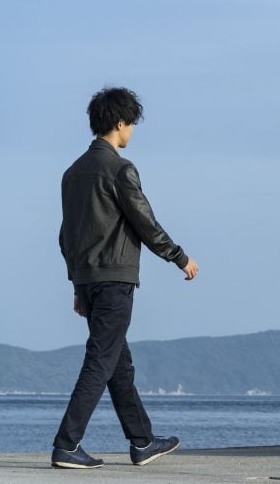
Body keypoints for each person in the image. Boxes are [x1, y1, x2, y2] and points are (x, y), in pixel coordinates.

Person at [51, 87, 200, 469]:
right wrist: (179, 257)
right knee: (101, 360)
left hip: (86, 279)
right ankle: (67, 445)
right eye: (131, 124)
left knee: (119, 363)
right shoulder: (120, 169)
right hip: (114, 279)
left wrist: (76, 283)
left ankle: (142, 441)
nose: (132, 131)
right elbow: (145, 223)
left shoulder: (73, 173)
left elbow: (66, 235)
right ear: (119, 124)